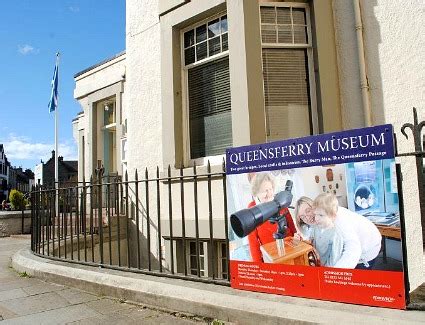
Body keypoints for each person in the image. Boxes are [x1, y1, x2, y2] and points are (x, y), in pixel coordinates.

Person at [313, 193, 382, 269]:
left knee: (359, 277)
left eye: (320, 215)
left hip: (370, 245)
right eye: (315, 214)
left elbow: (353, 250)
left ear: (333, 216)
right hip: (360, 240)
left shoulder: (342, 223)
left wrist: (335, 273)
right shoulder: (329, 211)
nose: (316, 219)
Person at [247, 172, 297, 262]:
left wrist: (297, 244)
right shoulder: (252, 208)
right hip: (272, 255)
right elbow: (253, 243)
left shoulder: (280, 200)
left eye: (270, 189)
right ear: (256, 192)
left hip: (291, 249)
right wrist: (259, 266)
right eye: (264, 190)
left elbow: (292, 228)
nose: (269, 194)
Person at [294, 196, 343, 267]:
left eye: (308, 211)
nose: (307, 218)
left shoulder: (336, 233)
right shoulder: (314, 229)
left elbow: (334, 260)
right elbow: (310, 244)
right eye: (302, 217)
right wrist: (300, 243)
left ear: (314, 207)